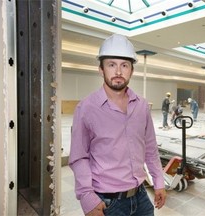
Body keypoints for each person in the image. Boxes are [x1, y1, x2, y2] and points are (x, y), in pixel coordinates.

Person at [69, 34, 166, 216]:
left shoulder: (142, 106)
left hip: (141, 198)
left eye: (124, 65)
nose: (118, 72)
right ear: (101, 69)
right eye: (111, 64)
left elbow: (150, 149)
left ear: (131, 70)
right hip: (107, 203)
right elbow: (78, 156)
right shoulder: (86, 108)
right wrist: (87, 197)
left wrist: (159, 182)